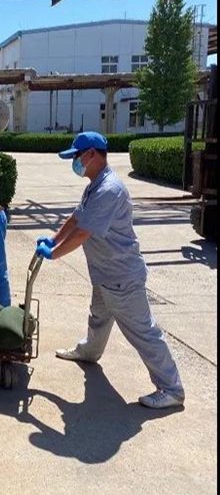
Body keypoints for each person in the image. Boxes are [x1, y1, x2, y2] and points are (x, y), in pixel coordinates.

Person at [36, 132, 185, 410]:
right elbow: (76, 218)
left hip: (121, 278)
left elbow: (83, 232)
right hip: (104, 273)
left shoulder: (109, 190)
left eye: (77, 156)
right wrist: (53, 240)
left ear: (91, 154)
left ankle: (172, 389)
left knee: (143, 332)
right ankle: (89, 352)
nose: (75, 163)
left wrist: (54, 254)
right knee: (99, 317)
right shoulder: (95, 186)